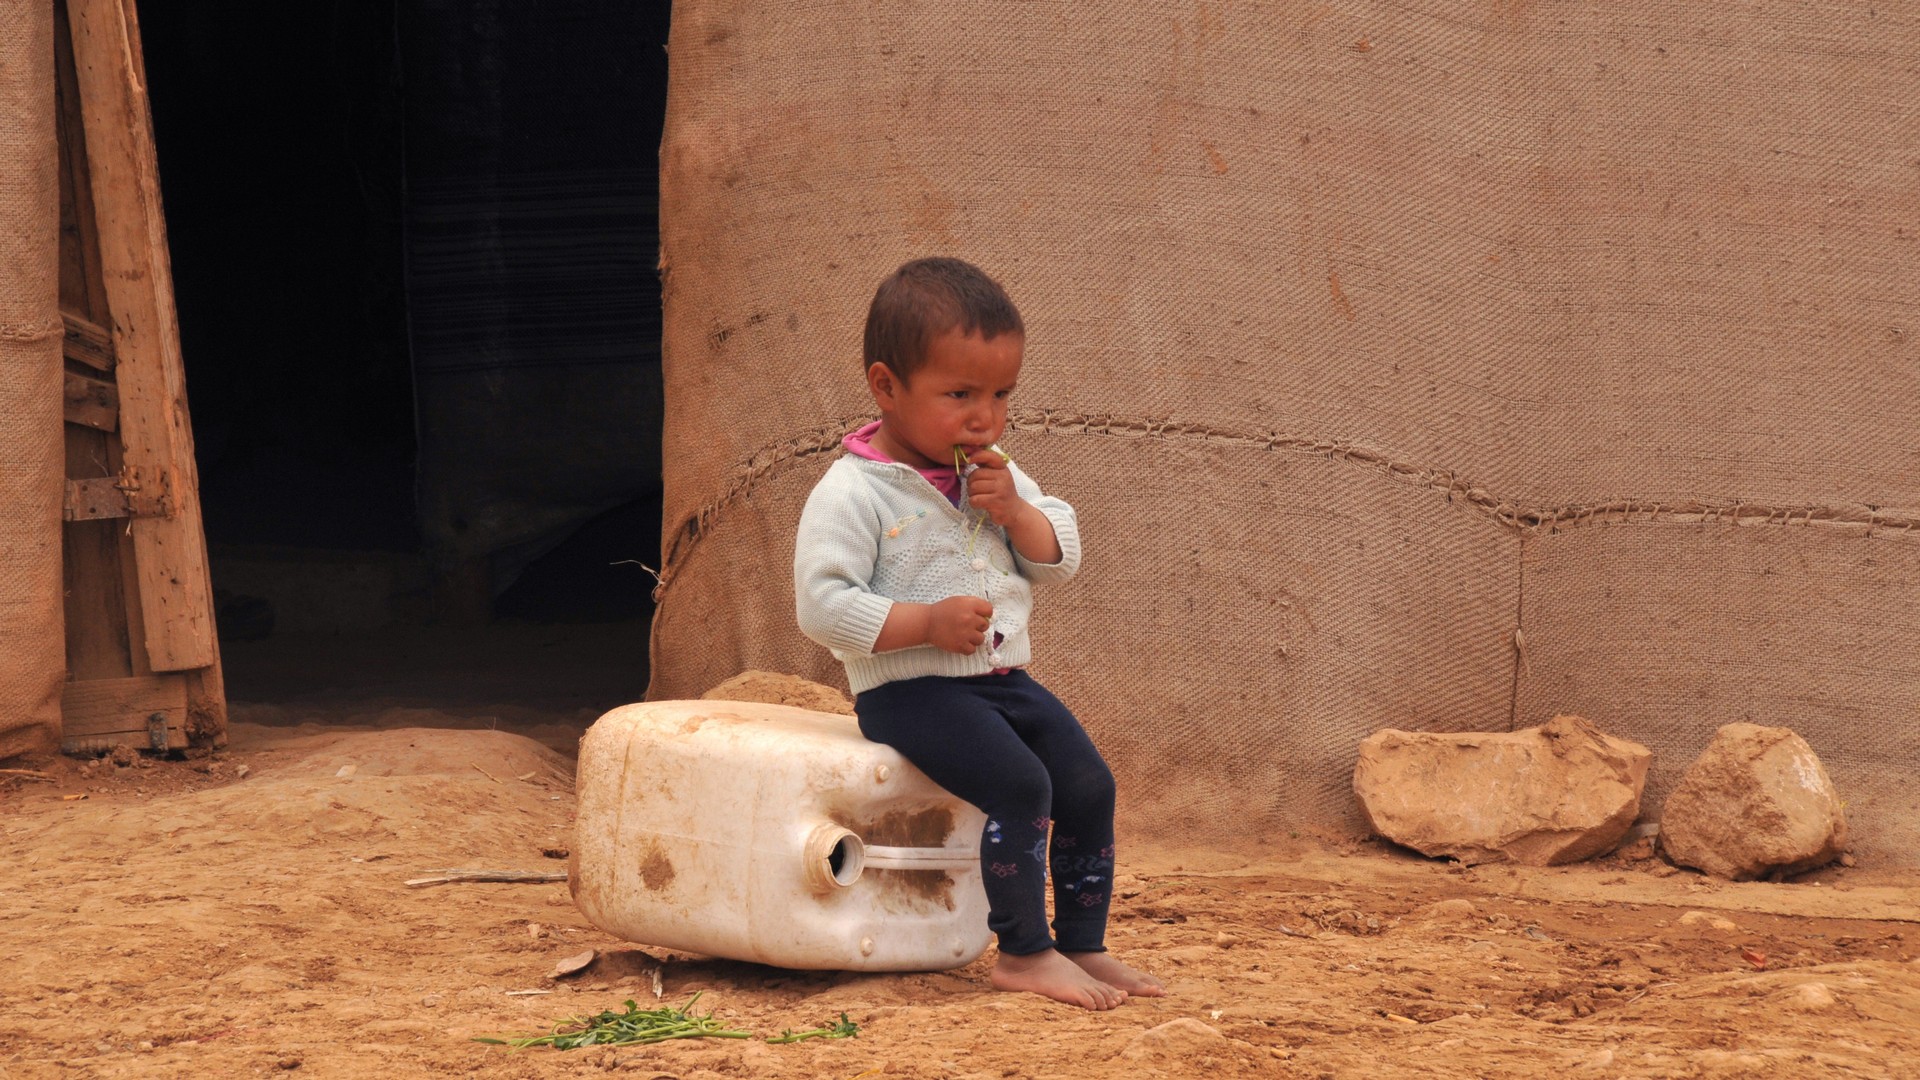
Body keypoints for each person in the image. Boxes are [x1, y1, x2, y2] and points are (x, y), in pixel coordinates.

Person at [793, 257, 1165, 1010]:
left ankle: (1083, 942)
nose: (983, 417)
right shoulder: (853, 491)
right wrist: (923, 623)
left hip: (1003, 683)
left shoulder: (995, 473)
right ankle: (1024, 953)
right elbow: (822, 606)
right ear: (886, 386)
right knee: (1021, 785)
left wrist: (1018, 517)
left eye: (1001, 395)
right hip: (909, 692)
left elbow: (1059, 558)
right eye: (958, 394)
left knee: (1089, 784)